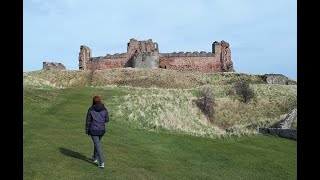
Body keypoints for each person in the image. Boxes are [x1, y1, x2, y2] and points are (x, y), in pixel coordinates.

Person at [85, 95, 109, 168]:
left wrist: (87, 130)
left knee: (98, 145)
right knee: (97, 143)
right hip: (101, 130)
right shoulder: (104, 109)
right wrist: (101, 121)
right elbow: (107, 119)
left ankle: (101, 163)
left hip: (94, 130)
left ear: (93, 101)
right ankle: (94, 158)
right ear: (100, 101)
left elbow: (88, 121)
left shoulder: (90, 109)